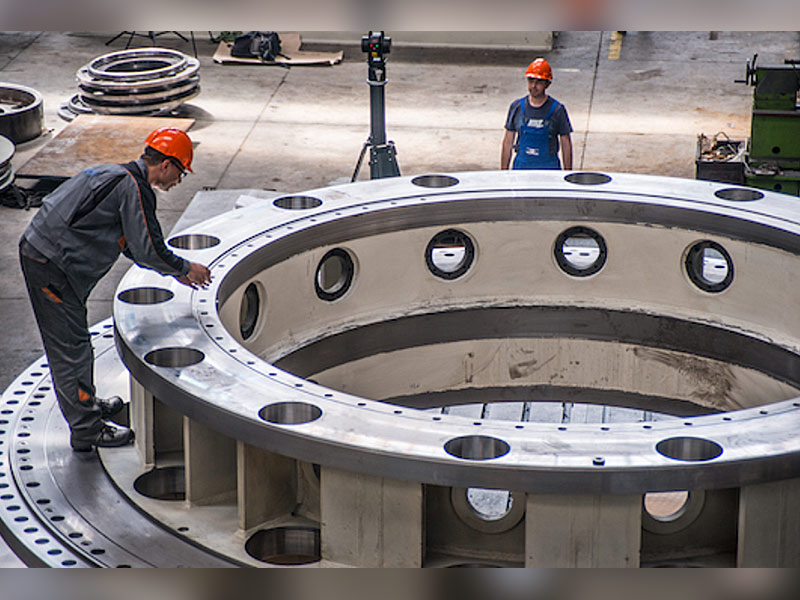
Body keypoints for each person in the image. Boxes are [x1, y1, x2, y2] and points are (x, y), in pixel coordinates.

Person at [19, 127, 212, 452]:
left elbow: (130, 243)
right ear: (166, 164)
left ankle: (87, 404)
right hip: (51, 266)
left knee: (76, 343)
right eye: (181, 172)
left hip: (46, 256)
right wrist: (184, 268)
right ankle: (87, 429)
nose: (179, 180)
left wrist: (173, 273)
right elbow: (149, 248)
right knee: (72, 349)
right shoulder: (135, 189)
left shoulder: (113, 174)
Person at [501, 57, 573, 170]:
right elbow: (508, 142)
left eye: (538, 82)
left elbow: (566, 143)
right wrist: (504, 172)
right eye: (531, 81)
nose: (533, 86)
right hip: (521, 170)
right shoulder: (517, 107)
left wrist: (567, 173)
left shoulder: (557, 110)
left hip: (549, 170)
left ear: (547, 84)